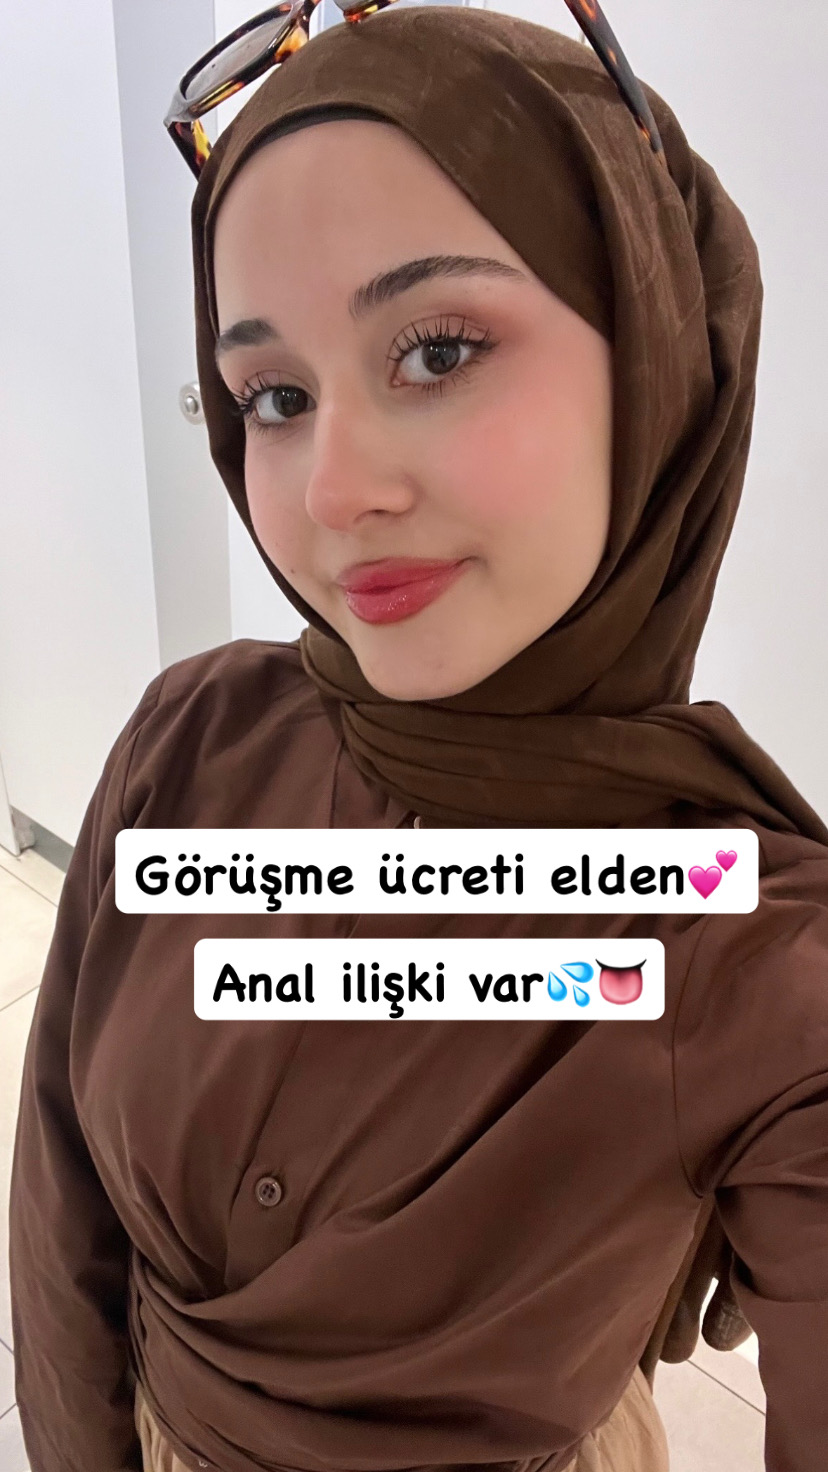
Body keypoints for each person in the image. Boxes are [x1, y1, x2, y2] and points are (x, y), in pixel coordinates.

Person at [9, 6, 828, 1472]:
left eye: (439, 349)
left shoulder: (754, 956)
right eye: (274, 396)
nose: (333, 491)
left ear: (660, 359)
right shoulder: (190, 735)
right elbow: (62, 1186)